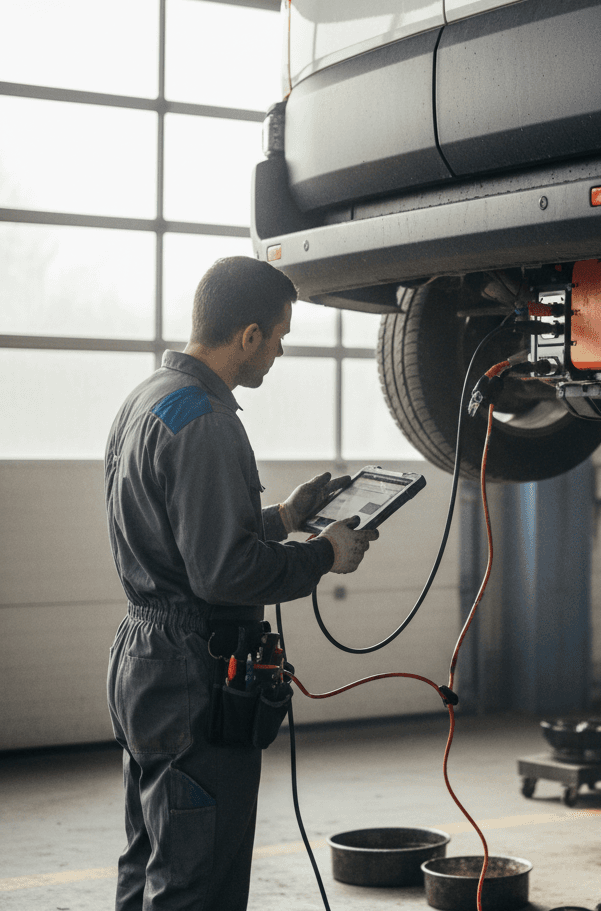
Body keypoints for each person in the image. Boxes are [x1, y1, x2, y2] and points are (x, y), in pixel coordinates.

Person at [104, 255, 374, 911]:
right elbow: (221, 572)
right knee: (197, 875)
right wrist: (323, 555)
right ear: (248, 335)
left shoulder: (150, 399)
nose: (280, 351)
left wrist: (285, 518)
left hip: (145, 657)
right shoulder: (207, 422)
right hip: (192, 669)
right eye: (279, 335)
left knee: (151, 852)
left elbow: (185, 534)